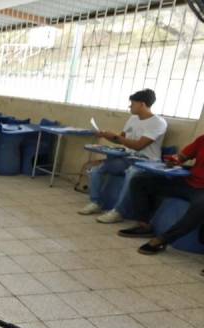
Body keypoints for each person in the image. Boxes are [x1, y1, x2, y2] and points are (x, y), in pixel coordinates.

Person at [78, 89, 167, 223]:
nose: (130, 106)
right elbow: (121, 139)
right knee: (96, 169)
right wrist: (105, 135)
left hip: (147, 162)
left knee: (132, 174)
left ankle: (118, 212)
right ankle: (96, 203)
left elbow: (138, 146)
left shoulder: (158, 123)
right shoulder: (132, 119)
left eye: (132, 103)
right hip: (128, 158)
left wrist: (116, 137)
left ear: (142, 104)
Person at [118, 135, 204, 254]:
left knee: (201, 206)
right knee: (139, 180)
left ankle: (163, 239)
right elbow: (182, 156)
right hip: (188, 182)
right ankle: (144, 225)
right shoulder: (202, 139)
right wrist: (174, 160)